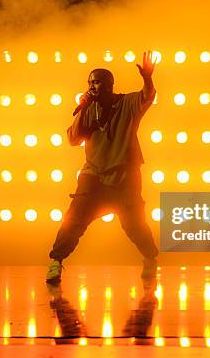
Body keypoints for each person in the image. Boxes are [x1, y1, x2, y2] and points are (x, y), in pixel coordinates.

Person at [46, 51, 159, 283]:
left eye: (97, 81)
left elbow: (147, 96)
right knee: (73, 220)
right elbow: (73, 138)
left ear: (109, 84)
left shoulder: (126, 103)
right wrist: (83, 107)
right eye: (90, 82)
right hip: (93, 175)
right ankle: (56, 262)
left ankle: (150, 258)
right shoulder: (89, 109)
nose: (93, 86)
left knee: (134, 225)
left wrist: (147, 77)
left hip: (123, 175)